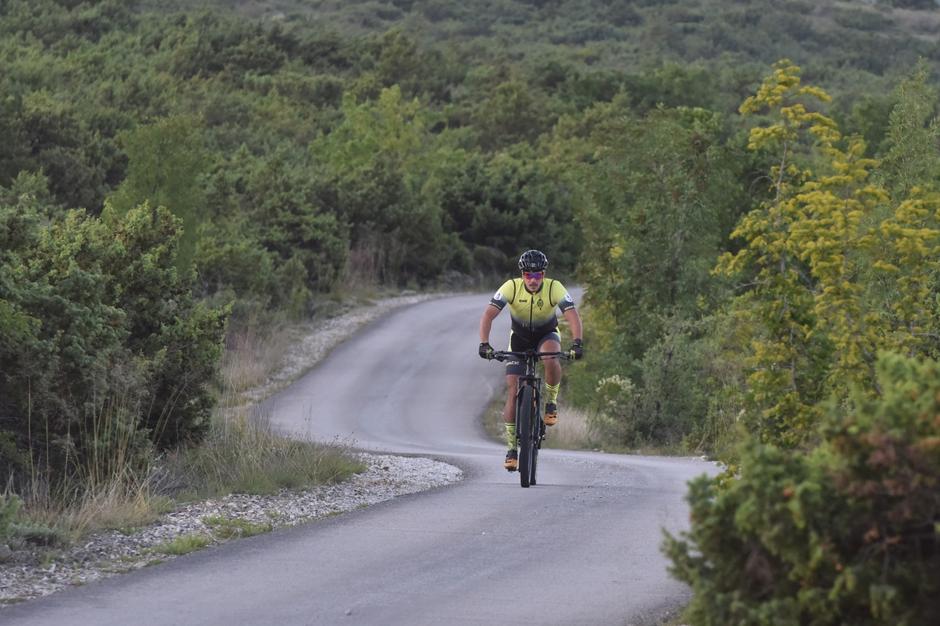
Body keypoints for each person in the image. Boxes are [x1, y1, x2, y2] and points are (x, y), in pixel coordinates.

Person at [478, 249, 583, 471]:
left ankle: (551, 402)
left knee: (551, 357)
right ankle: (511, 448)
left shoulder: (555, 287)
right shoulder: (511, 287)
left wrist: (577, 343)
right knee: (512, 390)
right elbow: (488, 314)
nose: (533, 280)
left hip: (546, 335)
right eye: (528, 275)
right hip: (519, 339)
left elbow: (572, 315)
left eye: (538, 275)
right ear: (522, 274)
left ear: (544, 274)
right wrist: (484, 344)